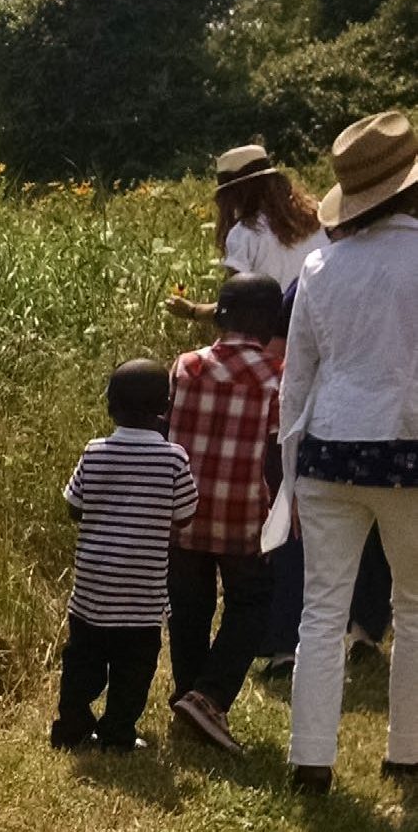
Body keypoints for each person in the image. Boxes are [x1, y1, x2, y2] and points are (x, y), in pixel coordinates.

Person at [283, 111, 418, 794]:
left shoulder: (316, 265)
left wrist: (288, 472)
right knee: (415, 606)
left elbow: (295, 380)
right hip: (406, 448)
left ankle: (310, 760)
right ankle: (405, 751)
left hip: (328, 449)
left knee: (321, 609)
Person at [53, 359, 198, 753]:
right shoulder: (173, 459)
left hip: (92, 589)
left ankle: (72, 726)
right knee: (133, 669)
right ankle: (117, 732)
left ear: (109, 405)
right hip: (142, 594)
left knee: (82, 660)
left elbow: (73, 506)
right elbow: (185, 515)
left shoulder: (95, 451)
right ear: (165, 409)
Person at [166, 274, 284, 753]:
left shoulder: (185, 366)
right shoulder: (278, 376)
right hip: (243, 515)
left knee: (189, 609)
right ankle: (209, 695)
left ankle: (186, 692)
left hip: (185, 511)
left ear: (220, 316)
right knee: (251, 603)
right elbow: (275, 451)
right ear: (269, 321)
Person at [258, 271, 394, 680]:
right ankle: (365, 631)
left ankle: (286, 644)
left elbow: (284, 358)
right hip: (397, 432)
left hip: (324, 430)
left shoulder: (316, 275)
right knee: (380, 540)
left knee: (302, 542)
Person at [166, 144, 329, 331]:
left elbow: (237, 309)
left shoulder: (243, 235)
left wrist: (192, 310)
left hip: (282, 339)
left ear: (234, 195)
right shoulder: (320, 213)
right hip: (331, 322)